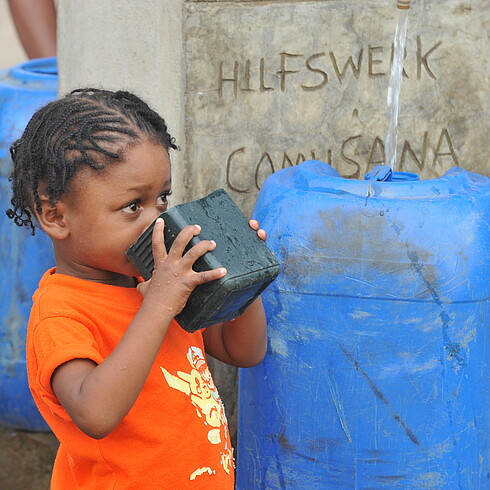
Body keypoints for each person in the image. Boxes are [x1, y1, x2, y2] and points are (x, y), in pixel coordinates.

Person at [6, 88, 267, 489]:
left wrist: (242, 276)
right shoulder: (62, 313)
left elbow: (243, 351)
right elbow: (95, 414)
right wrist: (159, 305)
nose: (156, 221)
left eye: (162, 199)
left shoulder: (160, 279)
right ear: (55, 215)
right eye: (133, 206)